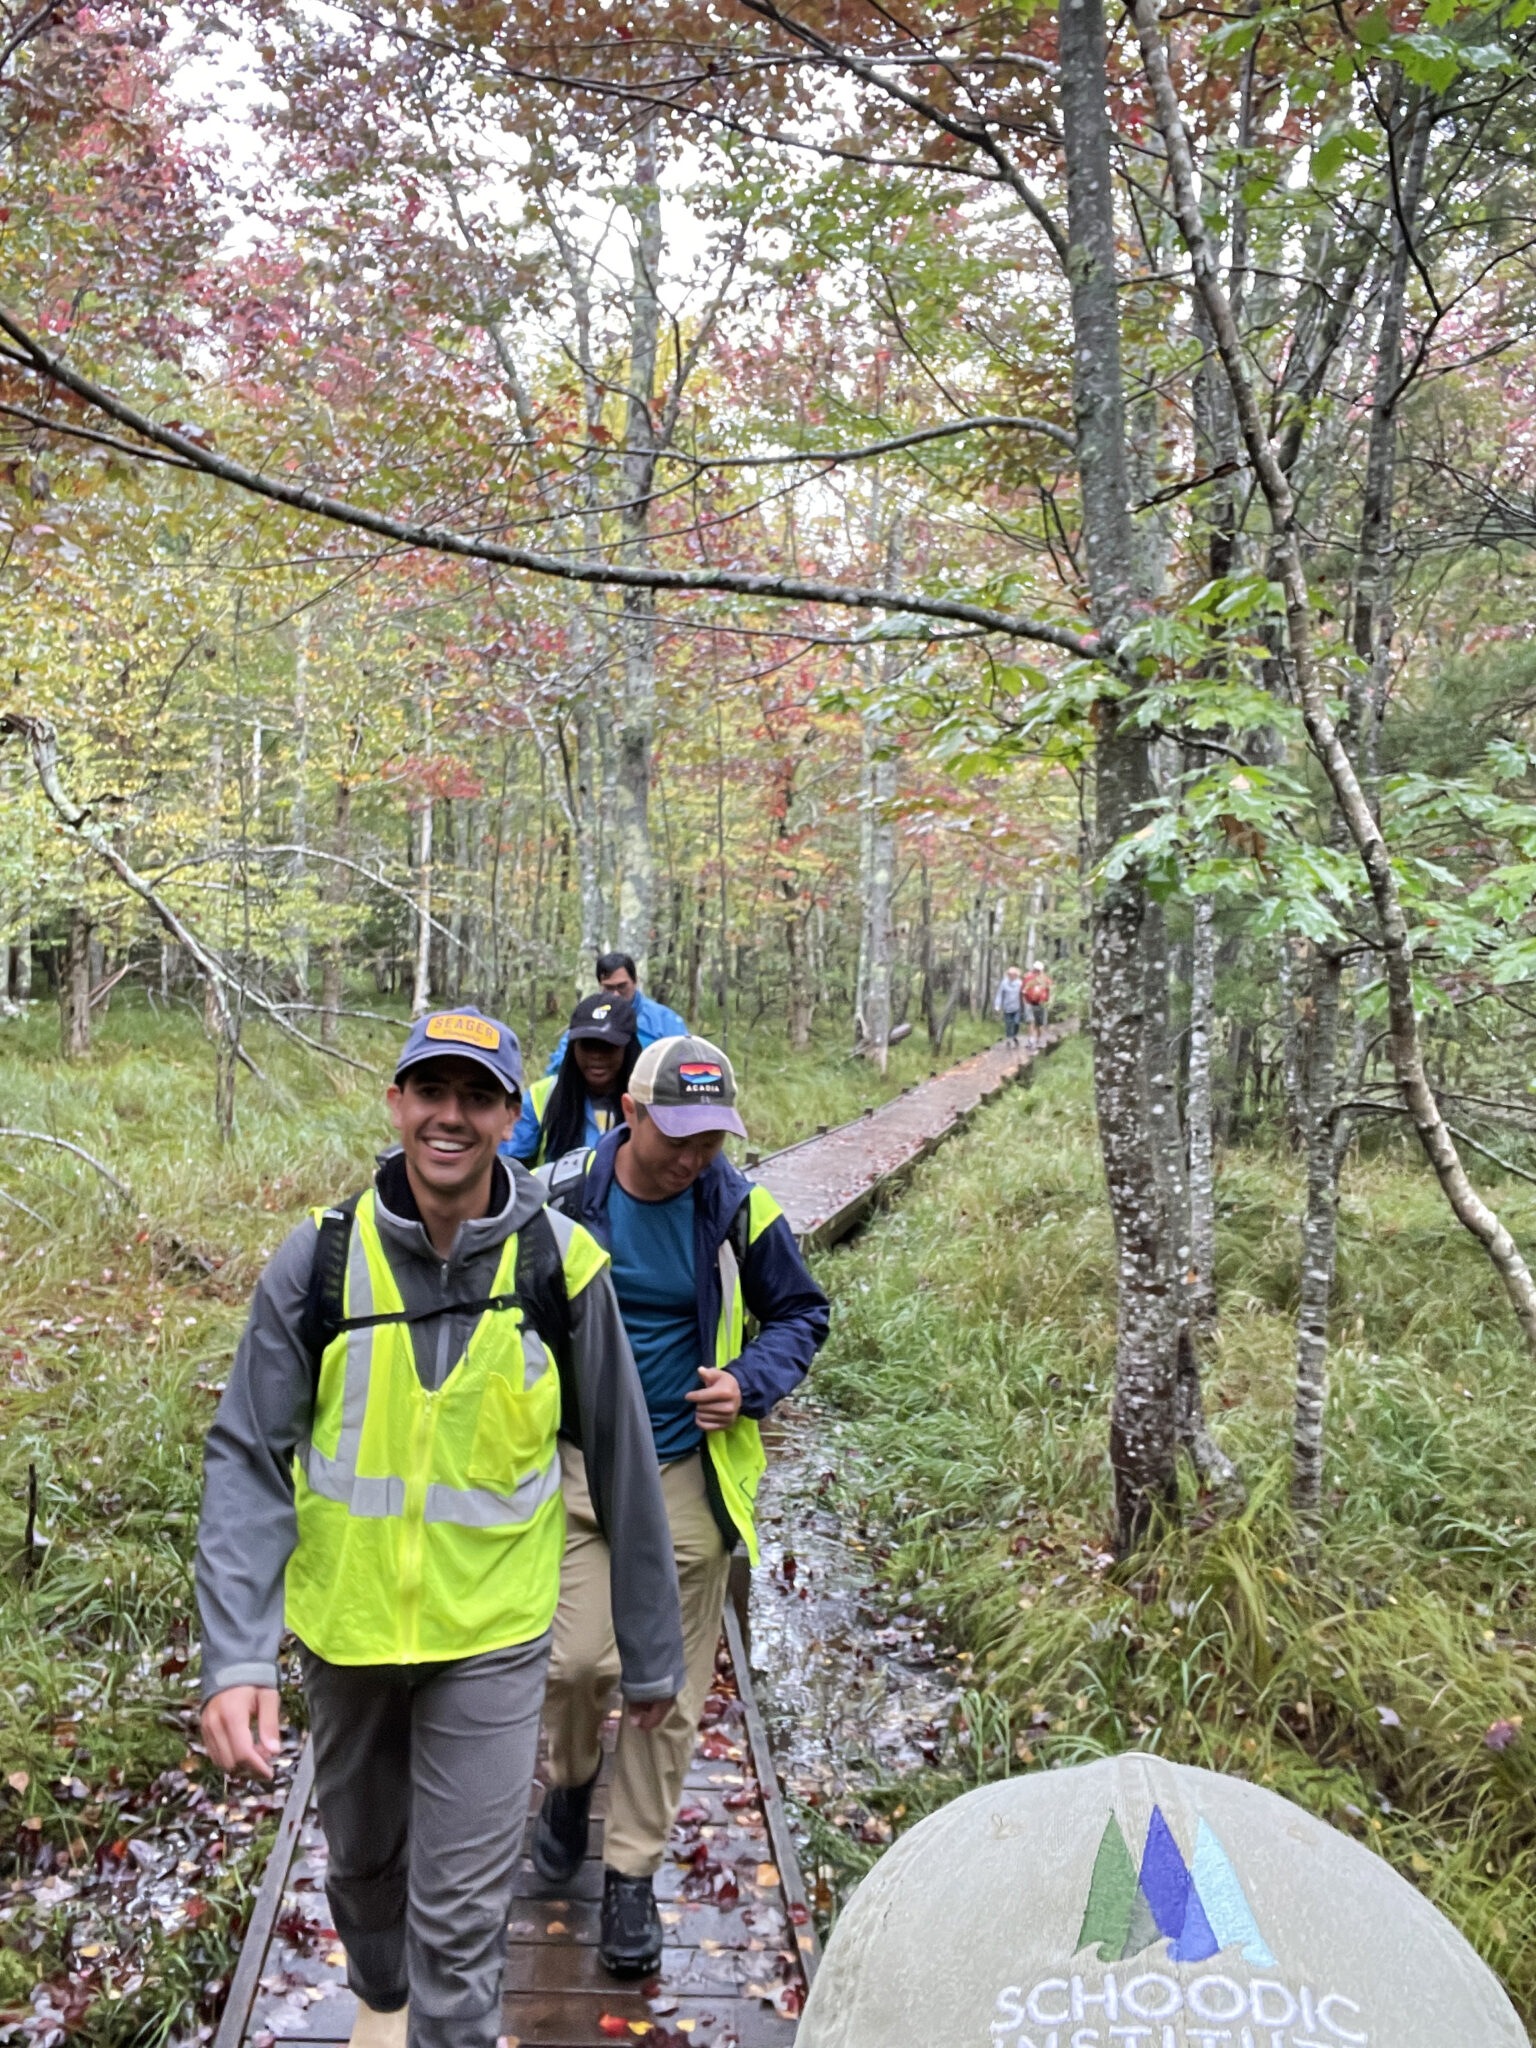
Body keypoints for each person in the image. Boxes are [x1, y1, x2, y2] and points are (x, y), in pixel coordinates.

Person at [195, 1007, 684, 2048]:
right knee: (368, 1883)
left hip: (492, 1635)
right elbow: (248, 1451)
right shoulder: (318, 1261)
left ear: (512, 1113)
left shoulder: (564, 1267)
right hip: (347, 1633)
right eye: (431, 1090)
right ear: (397, 1103)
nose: (449, 1115)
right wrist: (236, 1650)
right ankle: (379, 1990)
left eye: (476, 1095)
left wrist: (649, 1646)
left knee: (461, 1928)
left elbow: (626, 1464)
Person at [530, 1035, 830, 1978]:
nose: (695, 1156)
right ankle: (570, 1787)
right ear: (632, 1113)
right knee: (575, 1666)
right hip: (576, 1466)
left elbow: (802, 1312)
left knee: (667, 1693)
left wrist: (749, 1381)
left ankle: (629, 1874)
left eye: (713, 1138)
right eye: (680, 1137)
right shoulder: (558, 1193)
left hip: (683, 1475)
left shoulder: (736, 1204)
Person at [506, 991, 639, 1167]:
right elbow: (510, 1166)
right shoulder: (542, 1096)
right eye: (587, 1045)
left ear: (628, 1049)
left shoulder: (649, 1102)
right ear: (572, 1048)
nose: (596, 1055)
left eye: (608, 1046)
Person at [543, 949, 689, 1075]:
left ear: (635, 981)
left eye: (622, 986)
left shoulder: (664, 1021)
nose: (616, 995)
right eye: (609, 988)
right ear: (600, 985)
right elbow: (558, 1066)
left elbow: (686, 1064)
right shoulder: (588, 1017)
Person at [1021, 960, 1053, 1049]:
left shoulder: (1046, 980)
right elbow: (1023, 991)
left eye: (1039, 970)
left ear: (1042, 970)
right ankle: (1030, 1040)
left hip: (1041, 1003)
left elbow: (1051, 991)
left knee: (1040, 1024)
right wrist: (1024, 1002)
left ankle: (1038, 1039)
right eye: (1035, 970)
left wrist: (1050, 1001)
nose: (1037, 972)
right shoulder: (1028, 978)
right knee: (1030, 1021)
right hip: (1030, 1003)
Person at [994, 964, 1024, 1044]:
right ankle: (1009, 1038)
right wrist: (997, 1005)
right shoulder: (1004, 983)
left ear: (1016, 975)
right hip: (1007, 1007)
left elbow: (1023, 994)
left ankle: (1014, 1035)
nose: (1011, 975)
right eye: (1009, 974)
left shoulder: (1020, 983)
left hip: (1017, 1007)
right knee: (1008, 1024)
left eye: (1013, 974)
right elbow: (999, 994)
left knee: (1016, 1022)